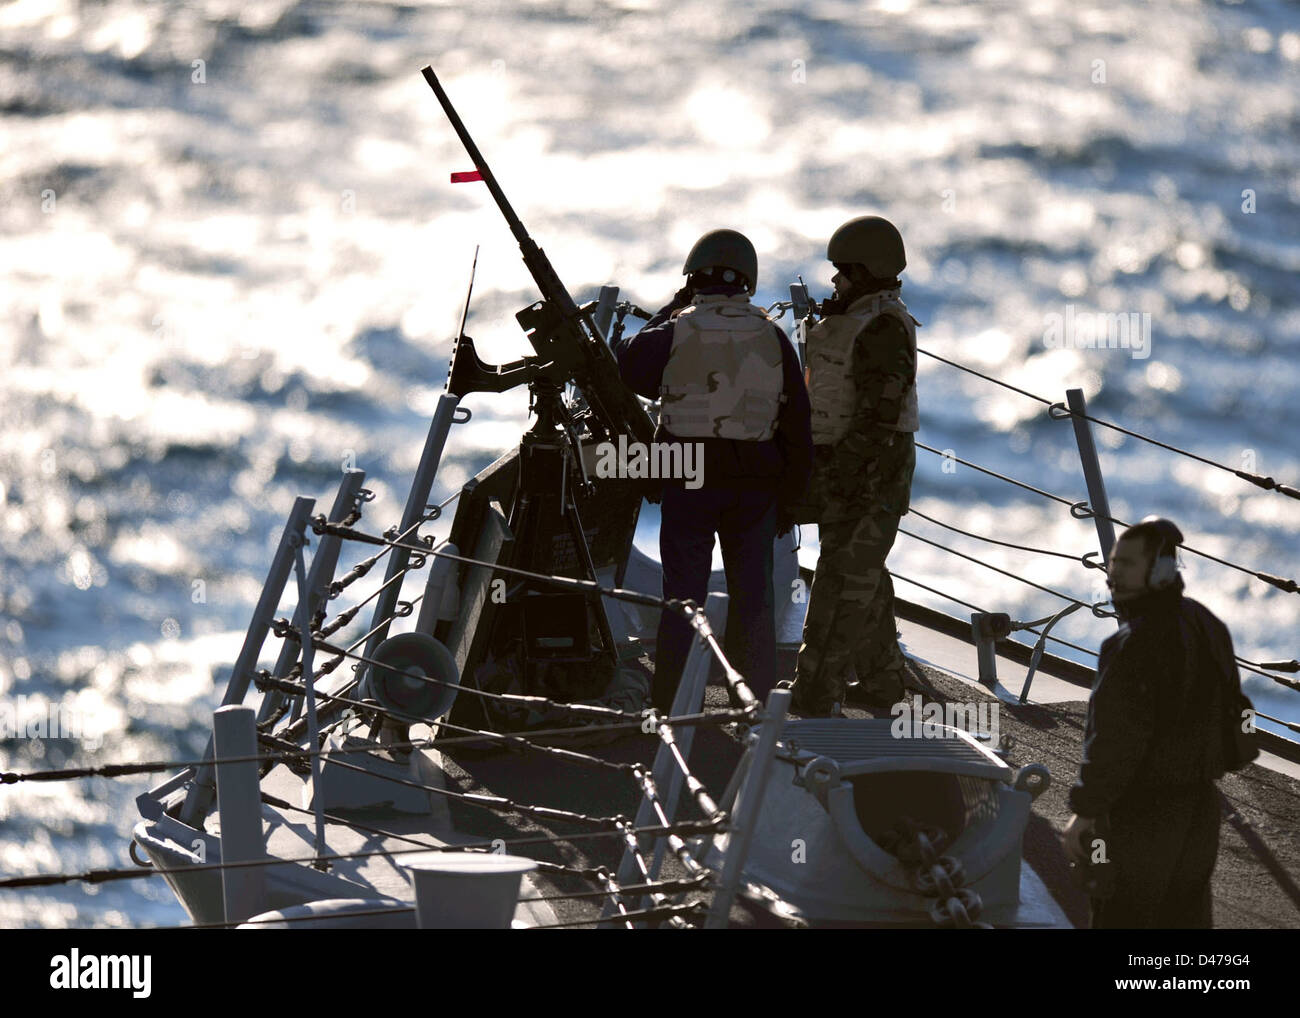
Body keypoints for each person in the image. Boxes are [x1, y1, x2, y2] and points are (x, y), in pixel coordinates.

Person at [613, 229, 812, 713]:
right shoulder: (772, 334)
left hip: (690, 475)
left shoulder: (676, 328)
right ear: (748, 280)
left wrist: (672, 307)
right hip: (755, 483)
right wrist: (791, 499)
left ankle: (674, 707)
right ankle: (757, 709)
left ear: (692, 279)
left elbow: (629, 372)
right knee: (754, 601)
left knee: (683, 598)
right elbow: (798, 424)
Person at [1062, 517, 1237, 928]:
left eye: (1126, 563)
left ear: (1159, 571)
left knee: (1120, 915)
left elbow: (1114, 739)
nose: (1113, 573)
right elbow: (1233, 716)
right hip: (1200, 813)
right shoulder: (1207, 624)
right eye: (1113, 562)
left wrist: (1085, 812)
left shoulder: (1129, 645)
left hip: (1140, 817)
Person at [787, 215, 919, 716]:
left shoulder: (883, 327)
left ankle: (815, 692)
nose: (835, 283)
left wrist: (834, 476)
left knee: (841, 583)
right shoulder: (861, 318)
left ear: (864, 274)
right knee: (862, 572)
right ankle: (884, 682)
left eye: (842, 274)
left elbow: (878, 420)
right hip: (857, 472)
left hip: (871, 476)